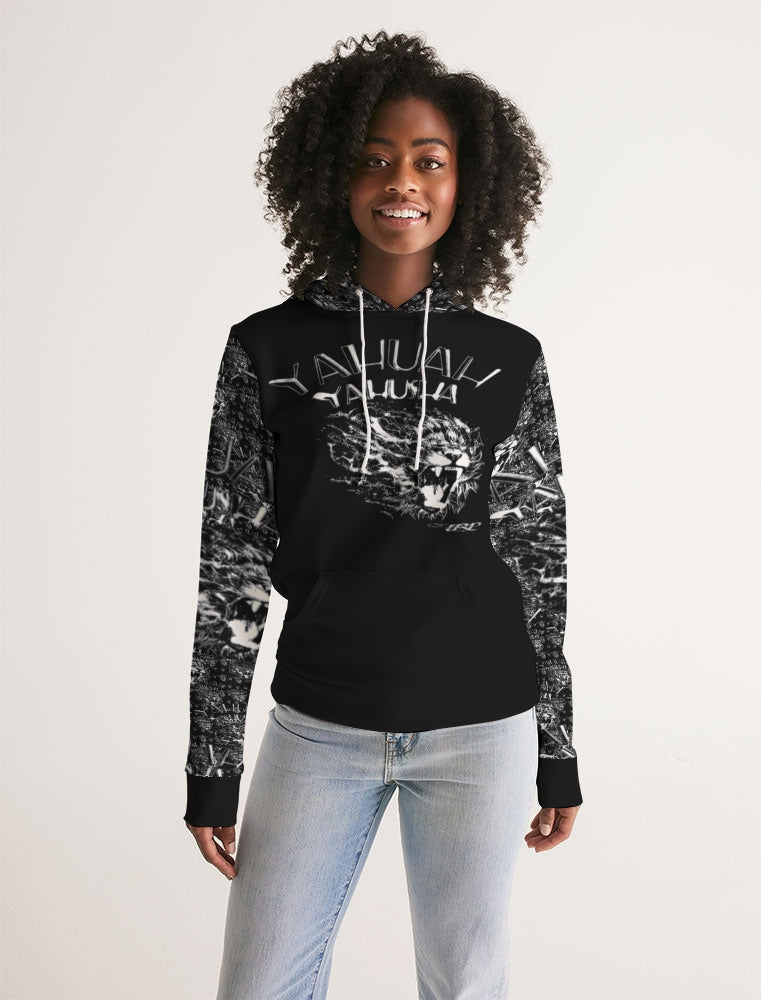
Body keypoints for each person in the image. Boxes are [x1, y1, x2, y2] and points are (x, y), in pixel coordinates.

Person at [183, 30, 583, 1000]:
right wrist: (212, 762)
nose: (401, 181)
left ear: (466, 184)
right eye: (373, 157)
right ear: (330, 176)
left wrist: (558, 748)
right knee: (260, 984)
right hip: (319, 721)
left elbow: (538, 556)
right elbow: (230, 567)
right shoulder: (265, 349)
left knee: (463, 985)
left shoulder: (510, 358)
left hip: (480, 723)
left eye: (428, 160)